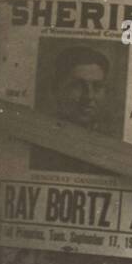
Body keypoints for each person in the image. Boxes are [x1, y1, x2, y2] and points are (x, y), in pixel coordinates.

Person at [31, 46, 111, 174]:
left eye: (97, 87)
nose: (89, 96)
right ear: (56, 88)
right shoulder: (36, 146)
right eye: (77, 86)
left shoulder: (112, 146)